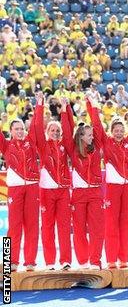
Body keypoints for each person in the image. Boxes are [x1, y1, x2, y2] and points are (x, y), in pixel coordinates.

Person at [87, 97, 128, 269]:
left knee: (126, 224)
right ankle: (111, 259)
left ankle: (124, 259)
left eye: (122, 130)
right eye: (116, 130)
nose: (119, 133)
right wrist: (94, 108)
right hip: (113, 188)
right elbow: (97, 126)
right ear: (112, 131)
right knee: (111, 224)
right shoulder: (106, 143)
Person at [60, 98, 105, 270]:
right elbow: (66, 130)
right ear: (81, 136)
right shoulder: (73, 149)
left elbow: (98, 127)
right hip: (78, 194)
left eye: (92, 134)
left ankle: (95, 261)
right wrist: (65, 110)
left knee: (97, 230)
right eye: (89, 135)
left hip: (94, 192)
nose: (92, 136)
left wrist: (93, 106)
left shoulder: (97, 145)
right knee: (78, 230)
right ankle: (83, 261)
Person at [1, 95, 42, 272]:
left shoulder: (31, 143)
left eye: (21, 129)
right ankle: (11, 261)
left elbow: (36, 125)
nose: (19, 131)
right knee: (14, 227)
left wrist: (39, 105)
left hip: (32, 187)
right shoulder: (6, 146)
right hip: (16, 190)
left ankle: (30, 261)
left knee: (32, 225)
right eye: (16, 129)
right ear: (10, 131)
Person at [32, 94, 72, 270]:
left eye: (57, 131)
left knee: (64, 227)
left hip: (63, 191)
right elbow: (37, 127)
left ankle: (65, 261)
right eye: (52, 130)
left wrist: (64, 110)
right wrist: (39, 105)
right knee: (47, 227)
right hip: (46, 191)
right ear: (47, 133)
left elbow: (69, 129)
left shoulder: (64, 145)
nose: (55, 133)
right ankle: (49, 262)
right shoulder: (42, 144)